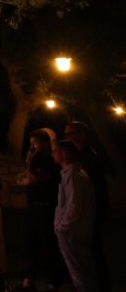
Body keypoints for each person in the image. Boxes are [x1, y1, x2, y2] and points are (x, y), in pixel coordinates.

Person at [64, 121, 112, 290]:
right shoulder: (77, 155)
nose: (68, 138)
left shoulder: (89, 156)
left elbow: (91, 185)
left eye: (71, 134)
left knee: (93, 249)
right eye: (66, 134)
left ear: (82, 135)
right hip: (84, 210)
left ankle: (100, 284)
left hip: (92, 210)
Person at [19, 129, 63, 290]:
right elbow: (28, 179)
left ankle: (54, 279)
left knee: (48, 243)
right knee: (28, 241)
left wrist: (29, 169)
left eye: (35, 143)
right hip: (32, 207)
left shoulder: (51, 159)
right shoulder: (35, 158)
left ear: (44, 143)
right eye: (31, 143)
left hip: (46, 206)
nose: (33, 147)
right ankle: (29, 277)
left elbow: (36, 179)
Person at [52, 139, 97, 292]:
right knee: (81, 270)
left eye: (55, 150)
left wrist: (62, 227)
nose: (52, 154)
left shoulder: (73, 175)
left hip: (73, 232)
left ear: (64, 154)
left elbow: (74, 205)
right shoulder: (71, 173)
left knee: (79, 271)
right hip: (73, 230)